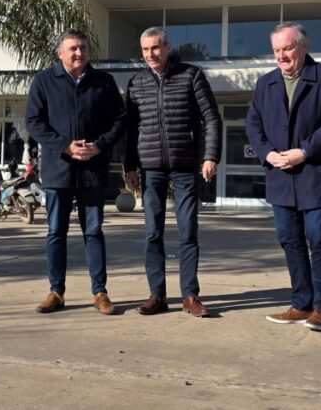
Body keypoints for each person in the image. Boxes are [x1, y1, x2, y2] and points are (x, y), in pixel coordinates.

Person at [245, 22, 321, 332]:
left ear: (304, 47)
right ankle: (301, 303)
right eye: (276, 50)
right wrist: (267, 153)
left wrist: (304, 151)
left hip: (317, 177)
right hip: (281, 178)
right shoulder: (265, 84)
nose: (281, 56)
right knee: (289, 240)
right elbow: (253, 124)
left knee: (318, 238)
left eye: (287, 48)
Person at [25, 29, 126, 315]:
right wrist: (65, 147)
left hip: (92, 170)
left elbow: (119, 121)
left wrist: (100, 145)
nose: (79, 53)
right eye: (72, 48)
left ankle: (100, 293)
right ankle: (56, 292)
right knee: (56, 232)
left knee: (93, 232)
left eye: (82, 47)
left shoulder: (103, 82)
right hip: (58, 171)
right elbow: (34, 122)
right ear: (60, 53)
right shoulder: (44, 81)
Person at [124, 27, 221, 318]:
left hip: (185, 165)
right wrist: (129, 166)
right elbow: (131, 129)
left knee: (187, 230)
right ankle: (157, 295)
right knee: (153, 233)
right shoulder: (136, 83)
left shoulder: (191, 75)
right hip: (150, 168)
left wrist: (210, 156)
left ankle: (190, 295)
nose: (150, 54)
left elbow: (211, 117)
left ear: (167, 48)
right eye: (145, 50)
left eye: (155, 48)